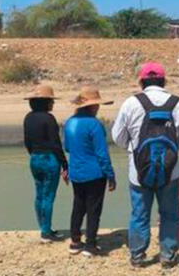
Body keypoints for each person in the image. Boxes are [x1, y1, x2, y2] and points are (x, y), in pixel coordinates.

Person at [112, 62, 179, 268]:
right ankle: (168, 256)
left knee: (140, 214)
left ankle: (138, 257)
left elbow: (118, 137)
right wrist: (172, 151)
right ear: (164, 81)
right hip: (171, 171)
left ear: (141, 81)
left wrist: (135, 151)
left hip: (138, 171)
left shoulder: (131, 103)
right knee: (169, 214)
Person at [64, 86, 116, 257]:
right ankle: (90, 244)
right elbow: (102, 153)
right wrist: (111, 175)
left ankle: (75, 240)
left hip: (76, 171)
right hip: (94, 172)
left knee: (78, 205)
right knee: (94, 208)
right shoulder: (94, 124)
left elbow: (68, 147)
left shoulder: (70, 122)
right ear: (92, 106)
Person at [23, 84, 68, 243]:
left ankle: (43, 227)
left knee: (39, 193)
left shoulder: (28, 117)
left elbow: (27, 141)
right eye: (51, 101)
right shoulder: (48, 118)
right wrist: (64, 164)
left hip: (34, 158)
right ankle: (46, 232)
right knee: (49, 195)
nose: (53, 103)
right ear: (45, 102)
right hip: (49, 159)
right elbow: (55, 144)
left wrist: (34, 154)